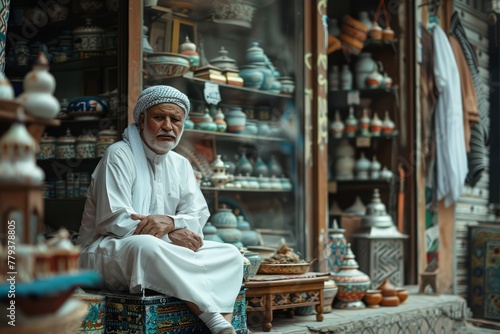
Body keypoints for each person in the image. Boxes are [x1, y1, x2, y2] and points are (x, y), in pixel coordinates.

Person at [76, 85, 243, 334]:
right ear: (142, 120)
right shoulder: (119, 155)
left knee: (230, 254)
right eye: (159, 117)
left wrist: (172, 223)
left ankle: (222, 322)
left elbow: (197, 214)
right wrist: (170, 233)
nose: (168, 126)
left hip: (162, 250)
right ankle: (216, 322)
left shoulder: (181, 164)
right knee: (147, 246)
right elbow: (115, 220)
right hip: (105, 251)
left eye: (175, 119)